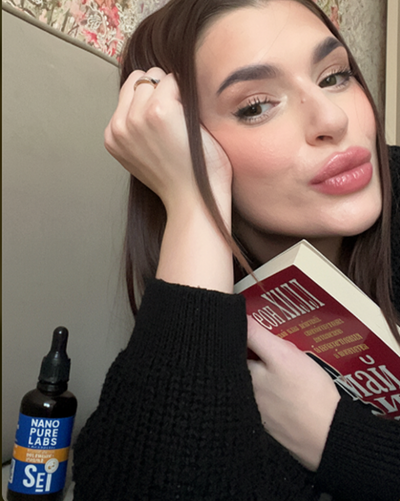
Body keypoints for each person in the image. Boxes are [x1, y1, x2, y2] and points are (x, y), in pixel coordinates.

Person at [72, 0, 400, 500]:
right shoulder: (203, 293)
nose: (332, 118)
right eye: (256, 106)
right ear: (186, 145)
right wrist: (194, 204)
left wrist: (337, 439)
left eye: (334, 76)